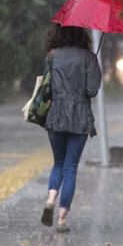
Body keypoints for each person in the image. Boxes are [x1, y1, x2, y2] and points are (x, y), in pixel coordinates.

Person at [39, 24, 102, 232]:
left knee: (58, 163)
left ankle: (50, 197)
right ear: (81, 35)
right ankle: (62, 219)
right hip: (79, 116)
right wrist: (94, 68)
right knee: (70, 166)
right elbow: (91, 91)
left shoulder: (52, 55)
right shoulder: (89, 57)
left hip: (55, 114)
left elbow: (45, 86)